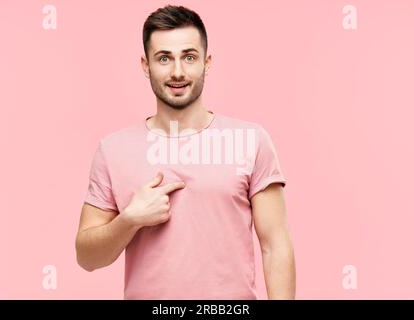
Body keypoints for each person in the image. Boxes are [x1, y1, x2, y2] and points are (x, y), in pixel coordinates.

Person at [75, 5, 295, 300]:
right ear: (145, 65)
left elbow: (275, 246)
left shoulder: (250, 140)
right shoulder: (112, 150)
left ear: (207, 62)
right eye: (164, 58)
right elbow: (87, 258)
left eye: (189, 57)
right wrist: (129, 220)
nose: (177, 72)